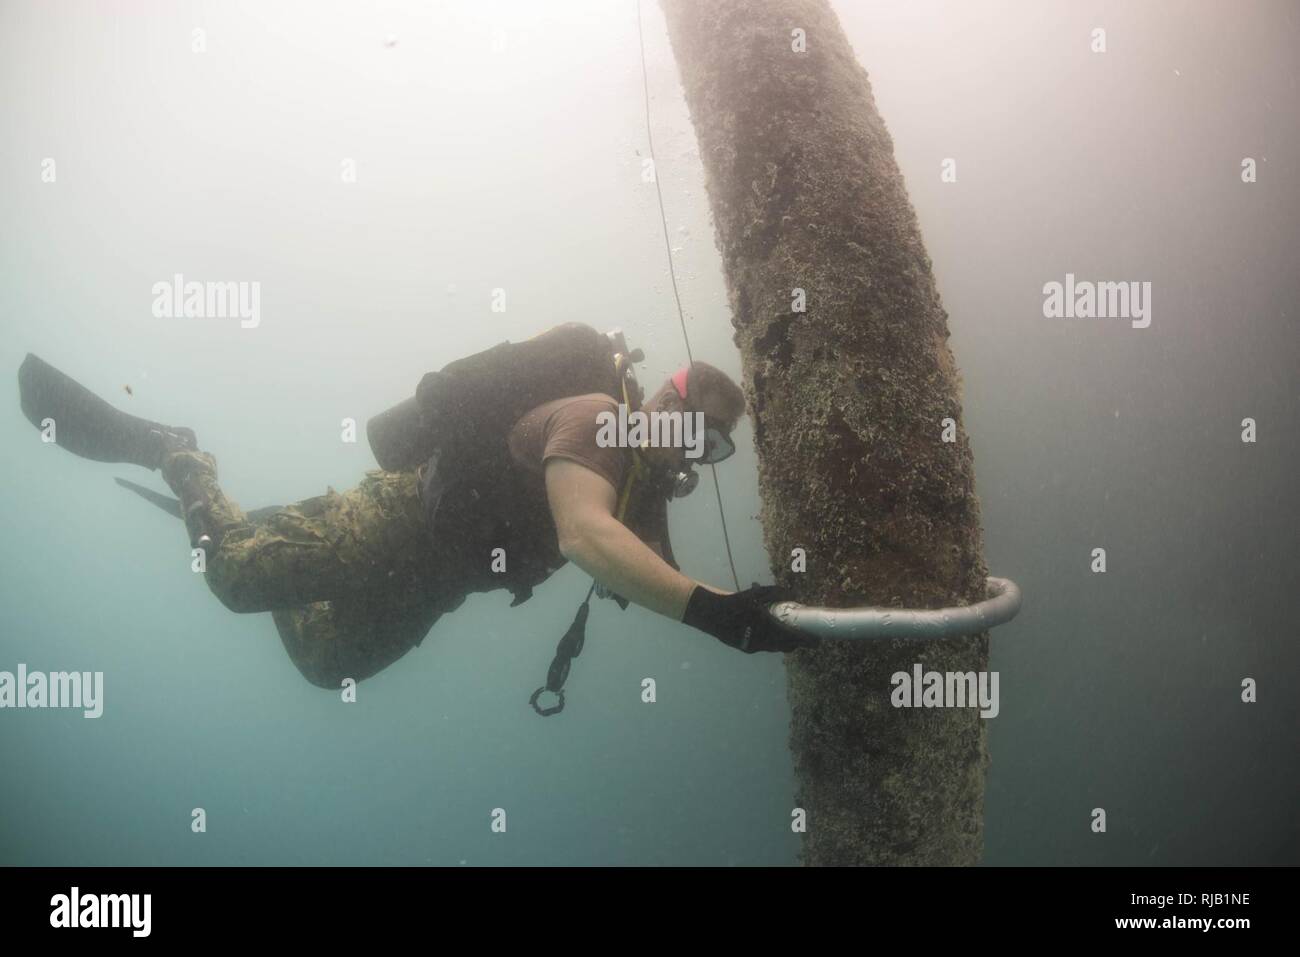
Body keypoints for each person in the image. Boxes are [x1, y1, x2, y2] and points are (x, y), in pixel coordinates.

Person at [18, 325, 813, 691]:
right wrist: (719, 617)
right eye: (686, 425)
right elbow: (583, 533)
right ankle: (176, 451)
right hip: (397, 517)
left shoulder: (640, 488)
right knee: (232, 577)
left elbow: (646, 569)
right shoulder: (597, 414)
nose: (687, 451)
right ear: (663, 398)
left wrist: (759, 608)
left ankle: (271, 530)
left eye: (709, 448)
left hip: (438, 578)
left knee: (329, 666)